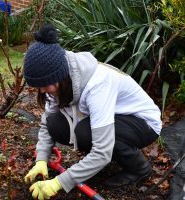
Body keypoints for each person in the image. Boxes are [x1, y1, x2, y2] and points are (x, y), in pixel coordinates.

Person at [23, 24, 162, 200]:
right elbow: (46, 122)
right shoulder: (59, 81)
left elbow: (102, 151)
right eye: (38, 86)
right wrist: (41, 159)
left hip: (144, 123)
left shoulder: (97, 85)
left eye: (45, 85)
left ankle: (139, 169)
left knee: (84, 132)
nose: (42, 90)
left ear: (60, 75)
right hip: (116, 118)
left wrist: (59, 182)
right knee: (55, 123)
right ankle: (98, 163)